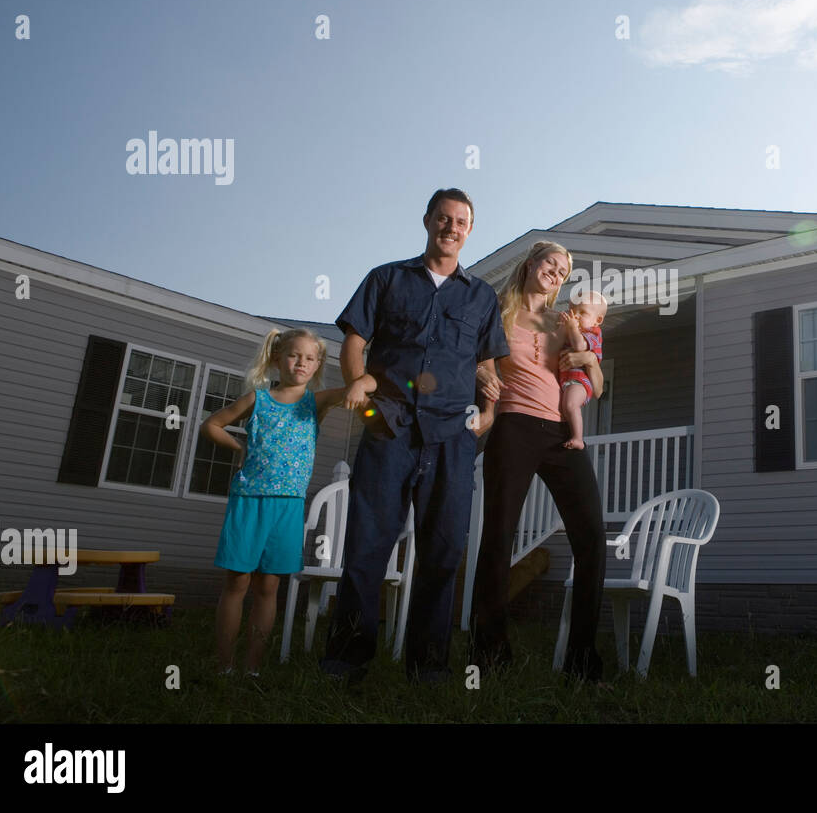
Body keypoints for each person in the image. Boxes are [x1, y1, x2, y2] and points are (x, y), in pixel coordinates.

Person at [321, 188, 508, 685]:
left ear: (470, 230)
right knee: (366, 546)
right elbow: (355, 341)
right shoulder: (386, 278)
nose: (451, 227)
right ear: (427, 221)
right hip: (389, 425)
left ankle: (427, 668)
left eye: (461, 221)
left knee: (442, 552)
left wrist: (487, 412)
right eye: (443, 218)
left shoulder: (481, 296)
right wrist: (361, 390)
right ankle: (345, 662)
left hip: (452, 435)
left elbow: (486, 365)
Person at [469, 241, 608, 681]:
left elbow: (597, 385)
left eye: (564, 270)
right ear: (531, 263)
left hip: (561, 434)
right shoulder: (496, 313)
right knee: (498, 537)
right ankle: (489, 654)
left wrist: (587, 358)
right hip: (514, 428)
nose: (557, 273)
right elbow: (474, 361)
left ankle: (582, 658)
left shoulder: (563, 321)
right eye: (552, 263)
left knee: (592, 538)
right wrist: (483, 372)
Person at [201, 327, 349, 676]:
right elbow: (213, 425)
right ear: (277, 358)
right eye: (294, 355)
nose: (301, 362)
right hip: (249, 501)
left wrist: (363, 383)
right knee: (237, 582)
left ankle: (253, 667)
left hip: (289, 506)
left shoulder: (317, 402)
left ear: (317, 365)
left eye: (310, 358)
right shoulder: (257, 399)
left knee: (269, 586)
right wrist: (239, 448)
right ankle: (224, 665)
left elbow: (365, 386)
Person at [557, 291, 608, 450]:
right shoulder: (574, 331)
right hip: (567, 379)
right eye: (573, 311)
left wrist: (571, 327)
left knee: (571, 405)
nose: (576, 316)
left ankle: (578, 438)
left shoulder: (592, 333)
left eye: (583, 312)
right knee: (566, 408)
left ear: (597, 320)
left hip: (580, 380)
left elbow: (579, 346)